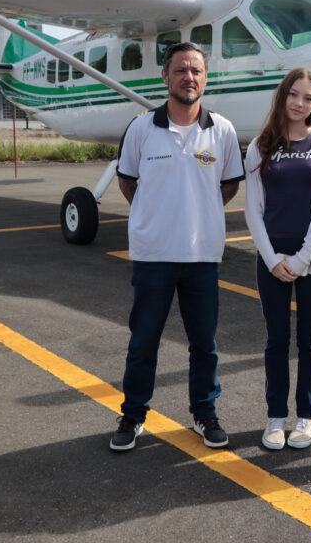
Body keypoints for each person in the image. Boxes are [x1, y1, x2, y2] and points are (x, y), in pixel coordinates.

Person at [109, 41, 245, 452]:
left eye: (197, 71)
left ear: (206, 78)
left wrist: (196, 213)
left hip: (202, 256)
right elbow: (128, 180)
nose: (190, 77)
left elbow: (228, 184)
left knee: (204, 344)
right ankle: (132, 416)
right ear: (165, 76)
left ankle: (205, 413)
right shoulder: (140, 128)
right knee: (143, 340)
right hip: (153, 257)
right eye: (181, 70)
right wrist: (158, 214)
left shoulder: (221, 130)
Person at [244, 68, 311, 450]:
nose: (300, 103)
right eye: (294, 95)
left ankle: (305, 417)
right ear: (282, 96)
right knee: (276, 341)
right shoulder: (261, 145)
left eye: (309, 98)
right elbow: (253, 209)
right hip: (271, 260)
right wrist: (272, 259)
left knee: (310, 342)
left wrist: (302, 259)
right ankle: (275, 418)